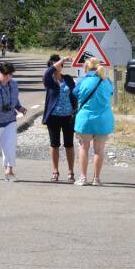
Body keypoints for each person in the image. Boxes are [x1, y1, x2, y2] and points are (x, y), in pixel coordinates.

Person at [72, 57, 114, 186]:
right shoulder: (107, 82)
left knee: (84, 147)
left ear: (86, 68)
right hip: (103, 120)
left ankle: (83, 178)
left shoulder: (83, 81)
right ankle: (96, 179)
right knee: (99, 149)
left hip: (85, 120)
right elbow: (110, 94)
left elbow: (75, 93)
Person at [42, 54, 77, 182]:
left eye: (61, 64)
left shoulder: (67, 79)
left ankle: (71, 172)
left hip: (68, 117)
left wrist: (75, 110)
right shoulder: (49, 80)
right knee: (54, 144)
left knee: (69, 144)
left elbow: (75, 94)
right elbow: (46, 74)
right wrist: (61, 60)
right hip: (53, 117)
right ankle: (55, 171)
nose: (59, 66)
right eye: (56, 64)